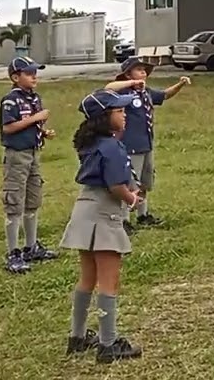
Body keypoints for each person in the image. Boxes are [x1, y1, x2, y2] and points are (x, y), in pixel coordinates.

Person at [60, 89, 145, 363]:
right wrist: (132, 198)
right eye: (119, 111)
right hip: (104, 212)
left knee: (87, 278)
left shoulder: (92, 143)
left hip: (85, 208)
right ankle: (108, 344)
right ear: (104, 118)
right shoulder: (111, 146)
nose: (124, 114)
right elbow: (116, 186)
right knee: (109, 280)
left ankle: (77, 336)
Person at [112, 57, 191, 232]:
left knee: (145, 182)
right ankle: (124, 219)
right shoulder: (123, 93)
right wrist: (130, 83)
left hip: (146, 143)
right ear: (128, 74)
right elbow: (107, 89)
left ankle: (143, 214)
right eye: (139, 69)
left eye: (144, 70)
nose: (144, 72)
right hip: (130, 144)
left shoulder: (145, 92)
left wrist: (180, 85)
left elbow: (163, 95)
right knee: (130, 182)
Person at [0, 56, 57, 274]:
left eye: (35, 73)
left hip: (33, 153)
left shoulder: (34, 98)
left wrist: (42, 132)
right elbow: (9, 128)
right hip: (17, 155)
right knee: (15, 202)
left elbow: (33, 124)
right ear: (15, 77)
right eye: (29, 73)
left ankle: (31, 246)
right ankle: (13, 252)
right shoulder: (10, 100)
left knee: (33, 200)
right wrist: (35, 119)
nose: (34, 77)